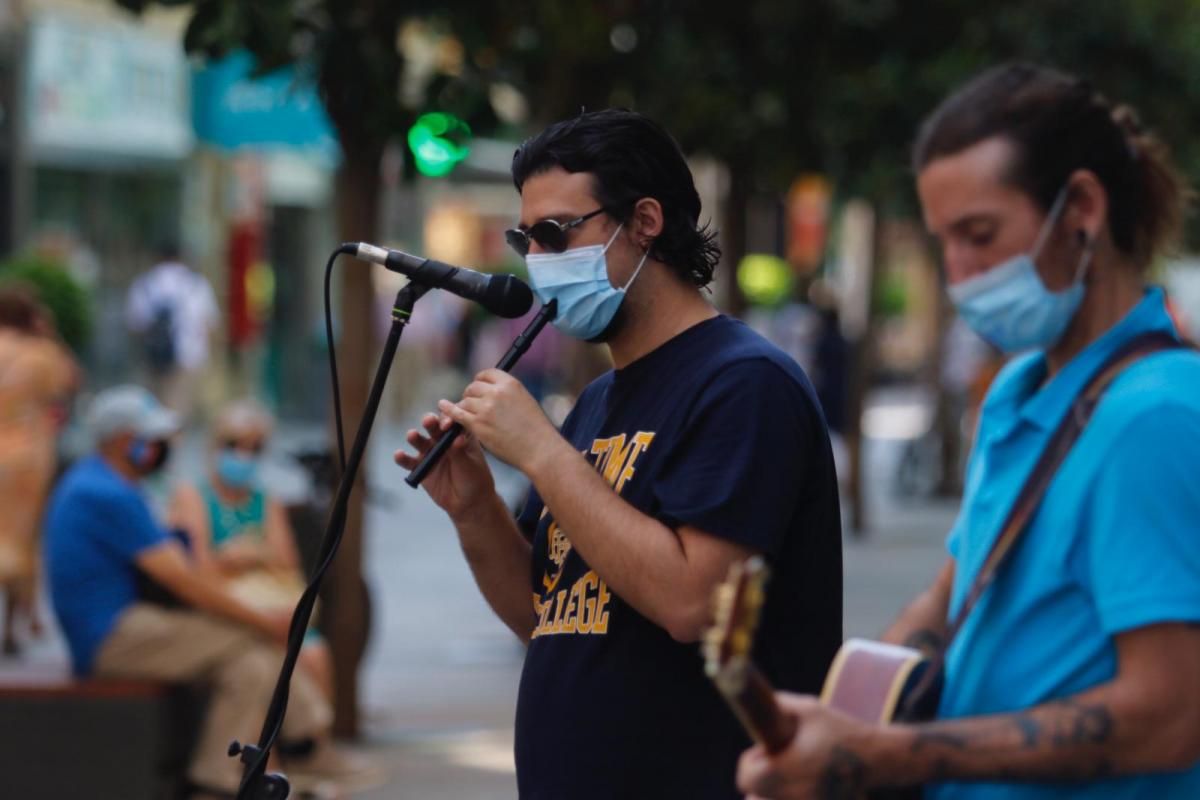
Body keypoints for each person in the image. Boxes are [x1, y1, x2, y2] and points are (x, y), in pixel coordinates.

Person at [737, 63, 1200, 799]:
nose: (958, 273)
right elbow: (957, 591)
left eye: (979, 235)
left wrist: (895, 756)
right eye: (944, 241)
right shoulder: (1019, 390)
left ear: (1081, 206)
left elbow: (1169, 715)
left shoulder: (1157, 416)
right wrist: (843, 718)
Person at [395, 109, 844, 799]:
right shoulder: (600, 402)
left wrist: (543, 453)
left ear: (645, 222)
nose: (538, 263)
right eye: (526, 240)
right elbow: (544, 616)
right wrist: (474, 506)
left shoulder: (745, 383)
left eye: (555, 234)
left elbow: (693, 604)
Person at [44, 385, 376, 798]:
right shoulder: (107, 493)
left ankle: (215, 783)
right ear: (125, 442)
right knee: (254, 637)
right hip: (112, 635)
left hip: (124, 625)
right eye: (153, 439)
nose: (163, 446)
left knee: (250, 668)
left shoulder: (105, 484)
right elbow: (183, 579)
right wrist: (264, 622)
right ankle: (309, 744)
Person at [168, 399, 333, 699]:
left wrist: (242, 556)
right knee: (266, 659)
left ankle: (313, 743)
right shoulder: (192, 496)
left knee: (314, 654)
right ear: (214, 446)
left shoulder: (265, 500)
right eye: (234, 445)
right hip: (226, 614)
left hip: (272, 610)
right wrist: (252, 556)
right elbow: (197, 570)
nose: (243, 456)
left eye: (254, 448)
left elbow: (288, 563)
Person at [0, 286, 76, 655]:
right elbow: (69, 383)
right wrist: (49, 334)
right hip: (27, 457)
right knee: (23, 540)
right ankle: (13, 626)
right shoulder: (41, 354)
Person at [125, 242, 219, 419]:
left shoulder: (145, 283)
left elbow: (136, 324)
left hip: (153, 356)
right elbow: (209, 323)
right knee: (177, 410)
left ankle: (155, 444)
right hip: (188, 355)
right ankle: (171, 444)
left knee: (152, 410)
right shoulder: (196, 283)